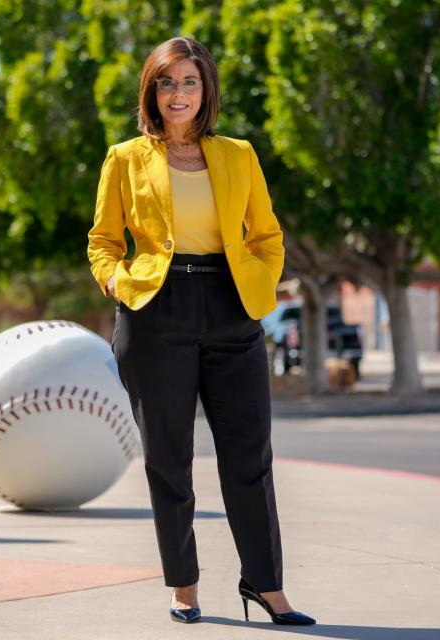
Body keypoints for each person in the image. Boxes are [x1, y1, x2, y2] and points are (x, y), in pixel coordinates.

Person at [86, 36, 315, 627]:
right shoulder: (125, 158)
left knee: (250, 456)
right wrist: (116, 282)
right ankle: (183, 587)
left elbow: (266, 235)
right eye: (167, 83)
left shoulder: (238, 154)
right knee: (168, 457)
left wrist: (261, 282)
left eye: (189, 82)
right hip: (154, 311)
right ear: (151, 91)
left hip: (231, 305)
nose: (178, 94)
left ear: (206, 88)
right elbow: (103, 241)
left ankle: (267, 587)